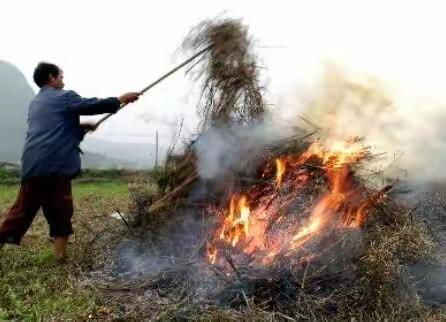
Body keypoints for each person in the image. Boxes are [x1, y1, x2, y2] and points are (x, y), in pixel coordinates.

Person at [0, 62, 139, 260]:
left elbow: (53, 130)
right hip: (55, 166)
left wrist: (81, 128)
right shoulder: (64, 97)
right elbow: (91, 105)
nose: (63, 80)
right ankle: (60, 258)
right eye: (61, 76)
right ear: (51, 77)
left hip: (33, 165)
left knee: (21, 212)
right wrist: (120, 100)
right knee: (61, 211)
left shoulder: (36, 103)